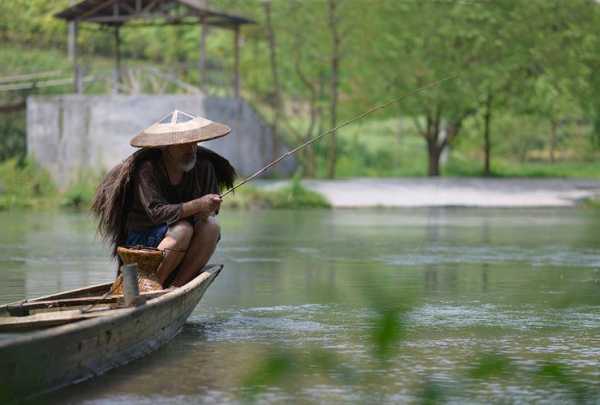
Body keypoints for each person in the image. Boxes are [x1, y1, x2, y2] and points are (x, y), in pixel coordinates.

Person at [92, 110, 236, 287]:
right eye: (182, 144)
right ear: (166, 147)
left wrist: (207, 210)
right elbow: (157, 213)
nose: (190, 149)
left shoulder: (204, 167)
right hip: (144, 239)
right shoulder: (148, 169)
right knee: (182, 229)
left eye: (193, 142)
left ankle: (176, 287)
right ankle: (151, 285)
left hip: (184, 240)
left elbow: (211, 211)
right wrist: (199, 204)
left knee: (211, 227)